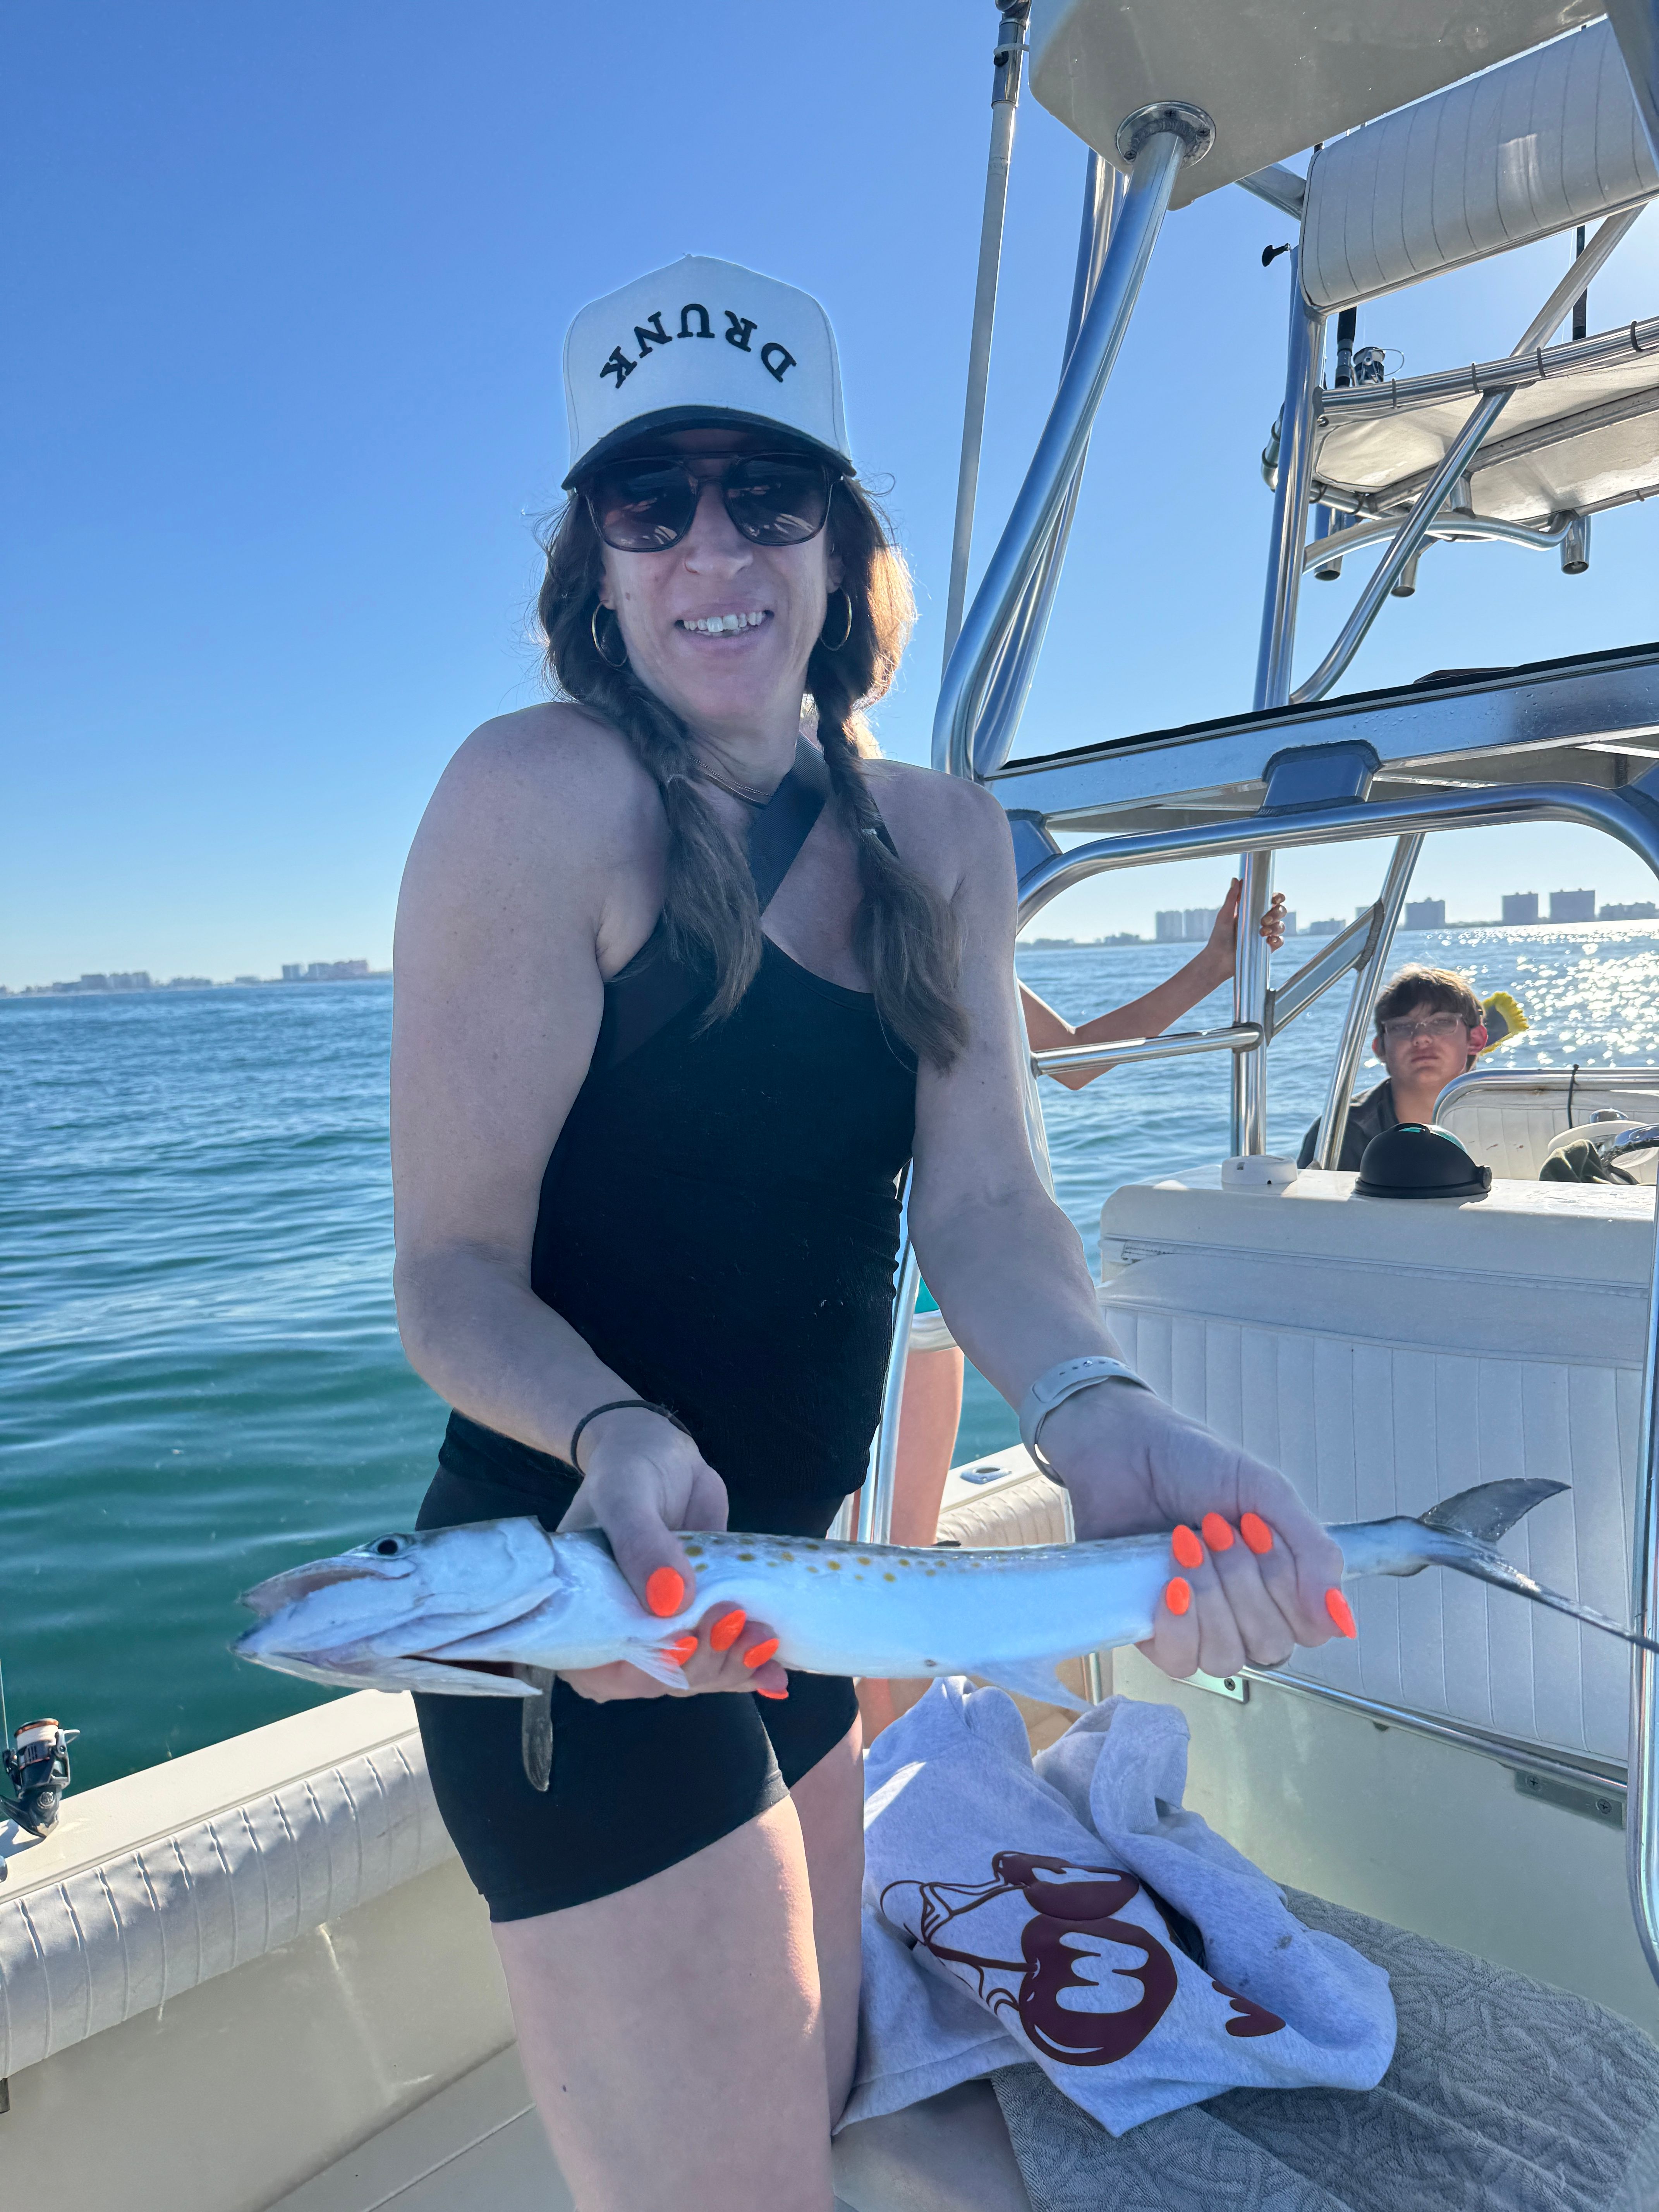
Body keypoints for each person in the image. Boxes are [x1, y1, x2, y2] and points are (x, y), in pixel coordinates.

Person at [390, 253, 1346, 2212]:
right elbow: (448, 1270)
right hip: (593, 1610)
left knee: (825, 2095)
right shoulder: (534, 797)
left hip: (816, 1594)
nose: (713, 547)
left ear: (842, 542)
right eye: (653, 503)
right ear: (594, 564)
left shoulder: (947, 838)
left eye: (770, 493)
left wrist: (1092, 1404)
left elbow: (987, 1204)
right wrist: (615, 1435)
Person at [861, 885, 1288, 1742]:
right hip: (805, 1296)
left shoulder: (922, 921)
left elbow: (1081, 1058)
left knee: (893, 1585)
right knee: (851, 1585)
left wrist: (1212, 967)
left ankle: (891, 1819)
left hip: (926, 1295)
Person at [1297, 963, 1488, 1171]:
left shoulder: (1511, 1117)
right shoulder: (1338, 1135)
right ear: (1380, 1049)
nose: (1421, 1038)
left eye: (1441, 1023)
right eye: (1401, 1027)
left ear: (1476, 1039)